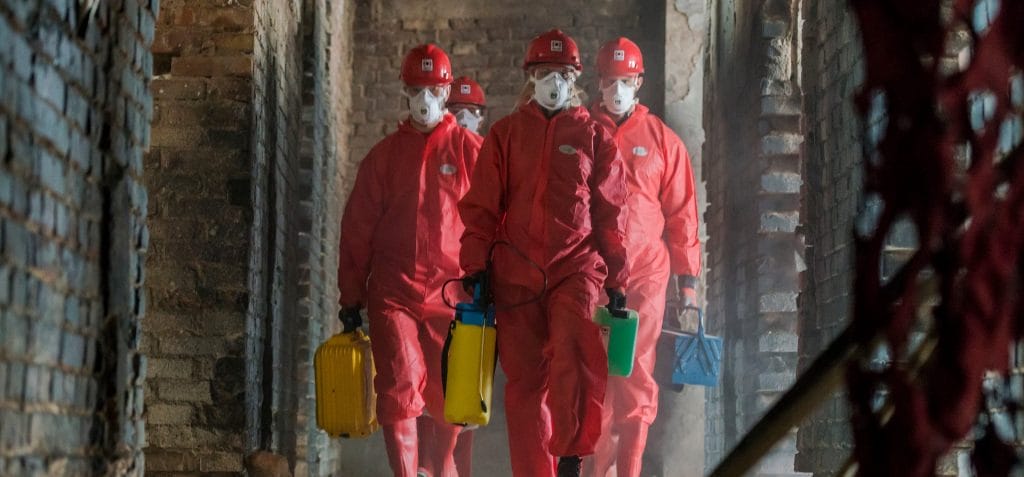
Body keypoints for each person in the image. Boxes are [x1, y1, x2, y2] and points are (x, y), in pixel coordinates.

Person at [458, 29, 630, 477]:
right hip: (516, 275)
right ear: (530, 77)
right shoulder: (505, 135)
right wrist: (475, 266)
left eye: (563, 73)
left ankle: (571, 458)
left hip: (576, 270)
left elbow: (611, 212)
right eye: (545, 72)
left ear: (576, 79)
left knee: (575, 357)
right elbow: (481, 208)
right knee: (525, 385)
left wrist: (616, 278)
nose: (554, 81)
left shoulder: (595, 137)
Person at [338, 43, 482, 477]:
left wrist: (489, 277)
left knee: (450, 394)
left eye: (434, 89)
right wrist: (351, 295)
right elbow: (358, 228)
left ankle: (439, 468)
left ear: (446, 90)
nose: (426, 100)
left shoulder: (469, 151)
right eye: (417, 90)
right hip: (394, 292)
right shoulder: (383, 158)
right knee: (399, 386)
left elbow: (494, 218)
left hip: (452, 293)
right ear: (406, 91)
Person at [585, 37, 702, 477]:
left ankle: (627, 471)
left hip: (645, 279)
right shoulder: (581, 135)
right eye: (611, 81)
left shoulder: (663, 143)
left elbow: (682, 216)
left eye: (626, 81)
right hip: (593, 275)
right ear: (599, 82)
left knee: (633, 375)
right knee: (596, 379)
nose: (618, 90)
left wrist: (687, 285)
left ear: (640, 82)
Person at [418, 74, 489, 477]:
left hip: (471, 291)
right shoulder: (432, 157)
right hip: (435, 287)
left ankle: (455, 471)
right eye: (455, 111)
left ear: (482, 117)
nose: (462, 119)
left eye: (471, 113)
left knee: (464, 393)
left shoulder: (483, 161)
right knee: (428, 383)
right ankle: (429, 466)